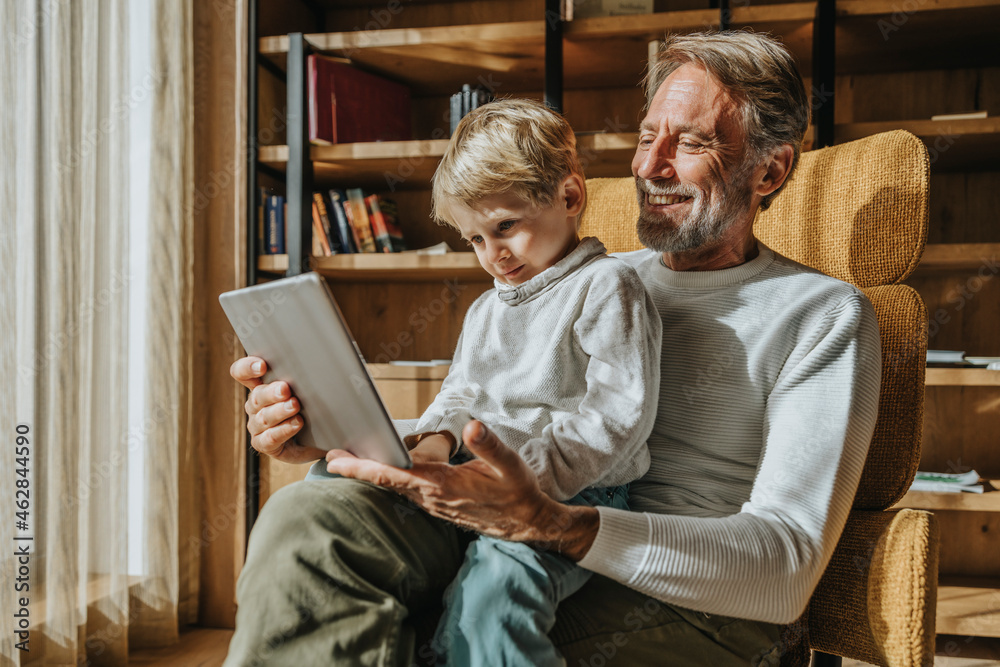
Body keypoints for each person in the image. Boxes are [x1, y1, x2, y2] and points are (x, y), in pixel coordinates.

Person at [226, 31, 881, 666]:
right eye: (648, 135)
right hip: (512, 513)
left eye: (692, 144)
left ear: (770, 169)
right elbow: (484, 413)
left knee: (463, 629)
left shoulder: (822, 314)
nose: (648, 167)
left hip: (686, 595)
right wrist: (342, 437)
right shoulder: (566, 285)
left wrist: (555, 524)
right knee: (307, 519)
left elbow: (787, 565)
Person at [323, 97, 661, 666]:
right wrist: (437, 439)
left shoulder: (608, 285)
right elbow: (461, 394)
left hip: (574, 492)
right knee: (331, 484)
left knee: (496, 593)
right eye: (475, 239)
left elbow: (617, 416)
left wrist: (521, 481)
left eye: (505, 227)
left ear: (570, 197)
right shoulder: (486, 309)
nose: (493, 255)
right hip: (474, 474)